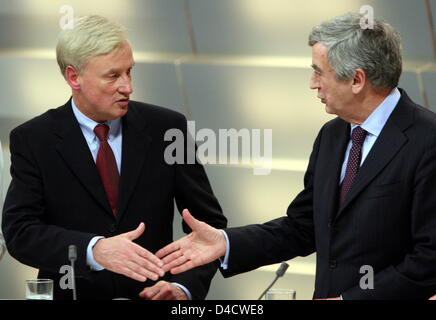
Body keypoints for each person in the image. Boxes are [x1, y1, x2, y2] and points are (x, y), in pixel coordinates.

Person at [156, 12, 436, 300]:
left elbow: (430, 258)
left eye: (319, 71)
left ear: (356, 79)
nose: (312, 83)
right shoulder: (332, 135)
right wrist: (226, 243)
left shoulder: (427, 141)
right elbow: (304, 226)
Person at [1, 15, 226, 300]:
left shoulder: (168, 129)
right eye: (113, 75)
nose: (127, 86)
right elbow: (21, 233)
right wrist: (93, 250)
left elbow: (209, 225)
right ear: (74, 77)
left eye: (129, 72)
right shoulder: (34, 139)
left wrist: (183, 287)